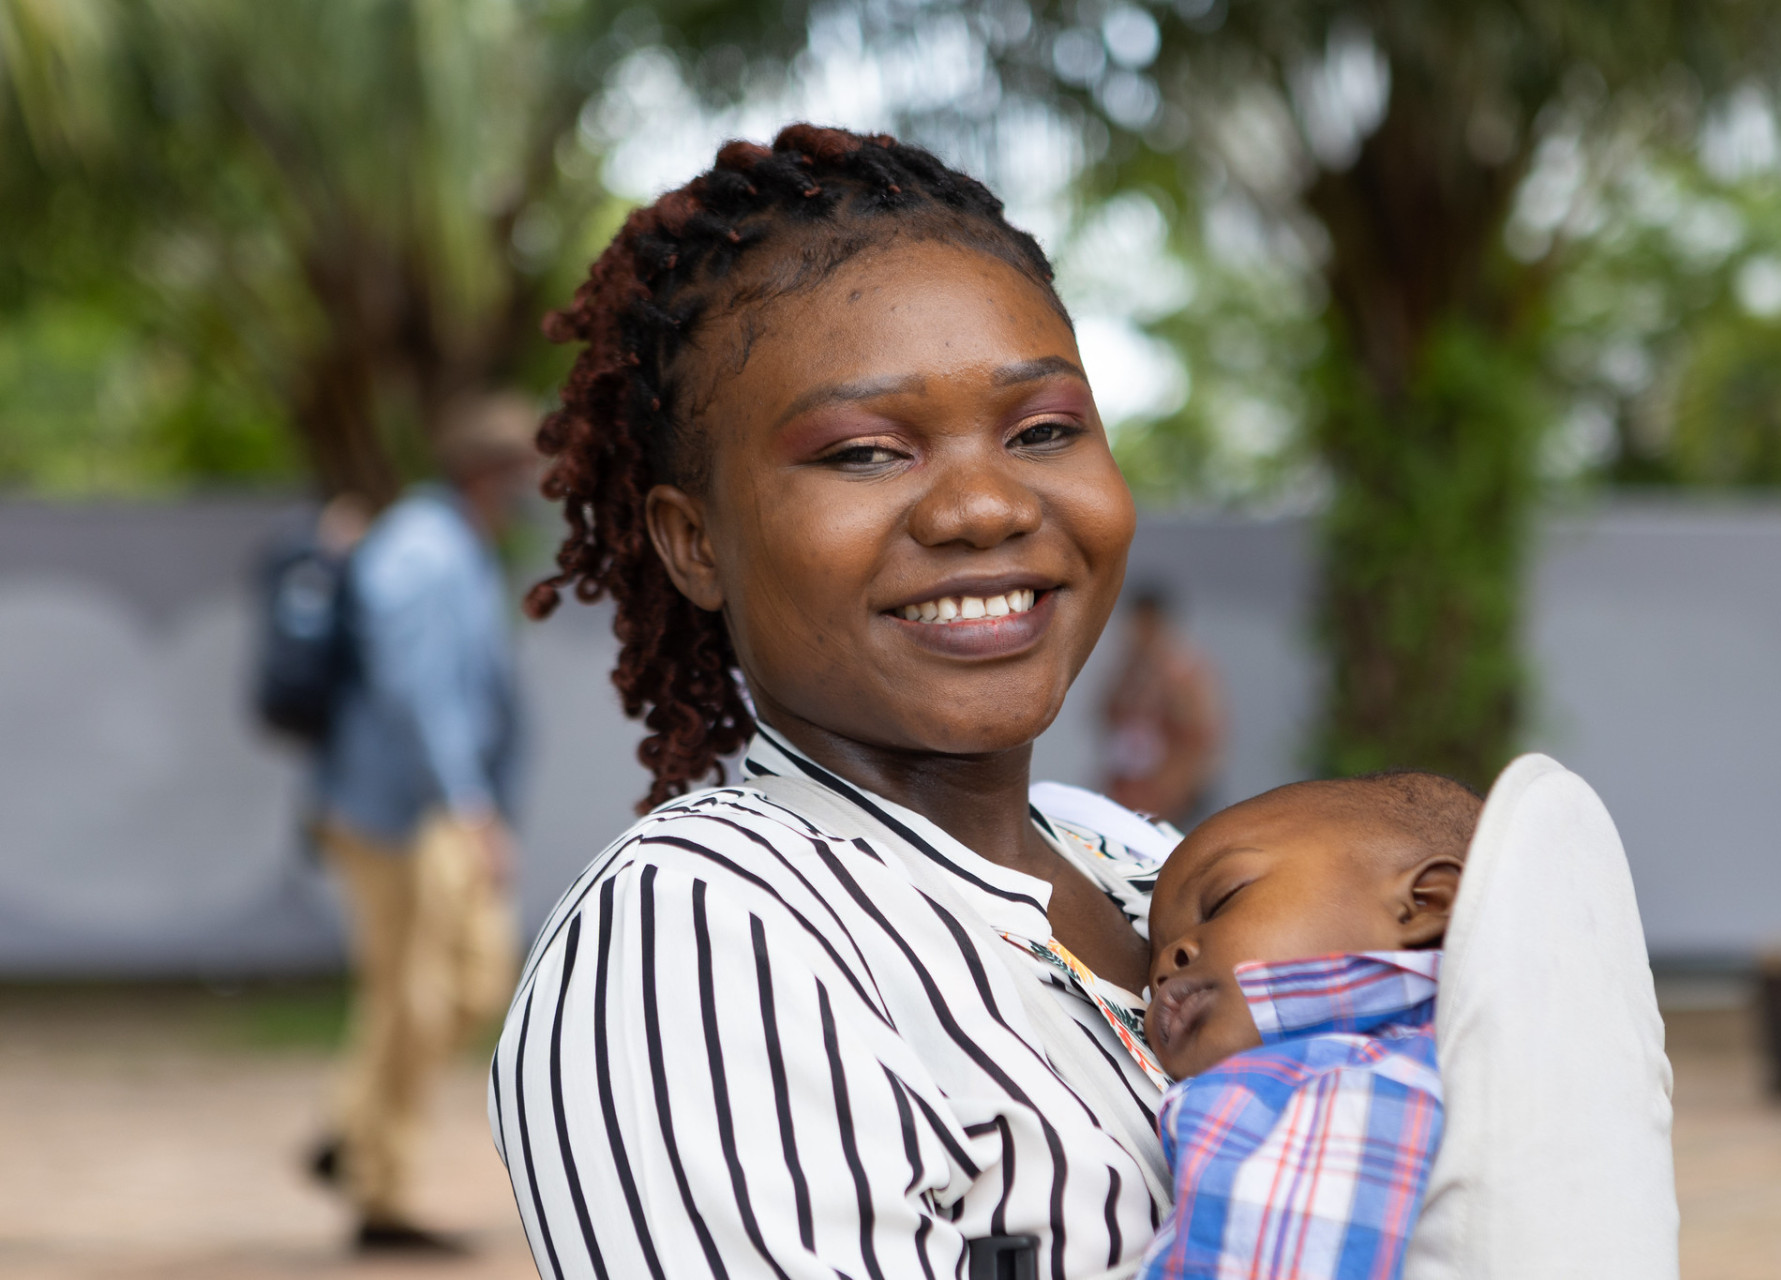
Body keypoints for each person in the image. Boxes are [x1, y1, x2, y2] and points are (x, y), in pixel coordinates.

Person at [494, 126, 1172, 1280]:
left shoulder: (1148, 860)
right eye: (865, 452)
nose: (983, 506)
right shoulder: (703, 941)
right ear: (695, 541)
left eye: (1043, 429)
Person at [309, 392, 537, 1252]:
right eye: (524, 472)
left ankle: (354, 1129)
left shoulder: (460, 548)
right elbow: (415, 689)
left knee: (469, 981)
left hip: (429, 809)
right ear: (489, 473)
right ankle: (381, 1194)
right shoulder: (421, 548)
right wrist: (468, 804)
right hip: (399, 812)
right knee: (412, 994)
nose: (535, 491)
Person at [1140, 772, 1480, 1280]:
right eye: (1151, 969)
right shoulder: (1482, 1056)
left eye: (1222, 899)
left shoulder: (1328, 1091)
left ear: (1425, 903)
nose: (1169, 961)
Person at [1102, 589, 1224, 827]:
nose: (1136, 634)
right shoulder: (1128, 670)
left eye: (1143, 626)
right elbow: (1108, 717)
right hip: (1132, 791)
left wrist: (1172, 792)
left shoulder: (1184, 674)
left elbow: (1198, 738)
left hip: (1172, 798)